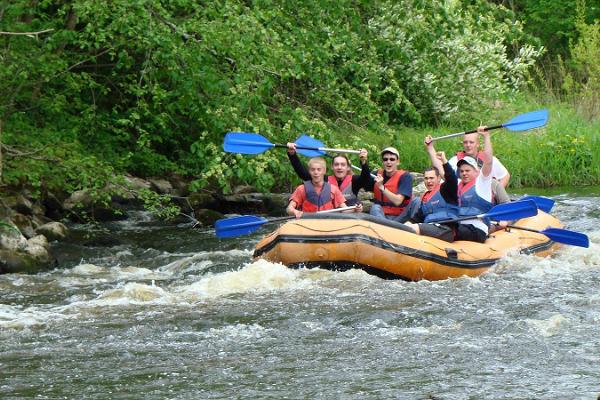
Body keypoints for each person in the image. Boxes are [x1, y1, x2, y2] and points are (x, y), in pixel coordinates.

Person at [404, 136, 459, 242]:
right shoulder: (425, 198)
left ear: (439, 179)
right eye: (426, 178)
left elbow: (452, 178)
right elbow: (416, 218)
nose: (429, 181)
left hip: (446, 230)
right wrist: (405, 226)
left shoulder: (447, 190)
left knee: (414, 228)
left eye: (431, 178)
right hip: (430, 228)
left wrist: (444, 162)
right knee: (407, 227)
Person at [286, 143, 370, 206]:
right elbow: (303, 174)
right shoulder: (324, 180)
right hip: (330, 219)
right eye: (336, 164)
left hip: (349, 217)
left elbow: (366, 178)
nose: (339, 167)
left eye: (343, 165)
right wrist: (292, 155)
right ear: (332, 167)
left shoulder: (354, 180)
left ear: (348, 168)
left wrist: (363, 161)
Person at [453, 126, 496, 243]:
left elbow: (488, 161)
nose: (464, 173)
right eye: (462, 171)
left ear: (477, 171)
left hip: (477, 229)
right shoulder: (458, 185)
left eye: (468, 170)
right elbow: (442, 173)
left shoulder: (482, 182)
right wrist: (430, 149)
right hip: (460, 226)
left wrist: (486, 136)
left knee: (448, 228)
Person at [287, 157, 362, 218]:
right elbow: (289, 209)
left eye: (319, 170)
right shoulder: (301, 189)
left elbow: (344, 210)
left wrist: (355, 209)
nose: (316, 172)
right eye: (313, 170)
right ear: (309, 171)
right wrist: (295, 211)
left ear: (324, 171)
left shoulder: (333, 189)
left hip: (327, 224)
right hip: (307, 222)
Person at [364, 147, 413, 222]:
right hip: (381, 214)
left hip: (400, 217)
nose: (388, 162)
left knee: (417, 201)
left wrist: (381, 187)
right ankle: (387, 228)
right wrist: (363, 161)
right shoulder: (376, 174)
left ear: (398, 161)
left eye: (392, 159)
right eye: (385, 159)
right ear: (382, 162)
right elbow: (361, 180)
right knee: (375, 207)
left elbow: (398, 201)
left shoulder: (405, 176)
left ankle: (387, 228)